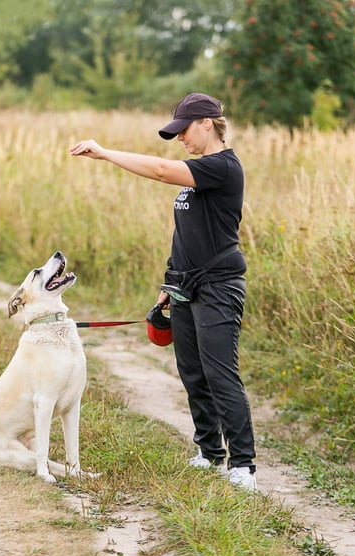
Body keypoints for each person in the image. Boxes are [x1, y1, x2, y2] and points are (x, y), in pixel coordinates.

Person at [69, 92, 257, 491]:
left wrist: (105, 153)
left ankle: (243, 465)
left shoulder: (223, 167)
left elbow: (158, 169)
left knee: (220, 373)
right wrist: (169, 283)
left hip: (219, 285)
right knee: (193, 372)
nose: (181, 139)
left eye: (184, 131)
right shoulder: (198, 174)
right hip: (186, 286)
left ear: (207, 123)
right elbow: (186, 234)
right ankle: (210, 452)